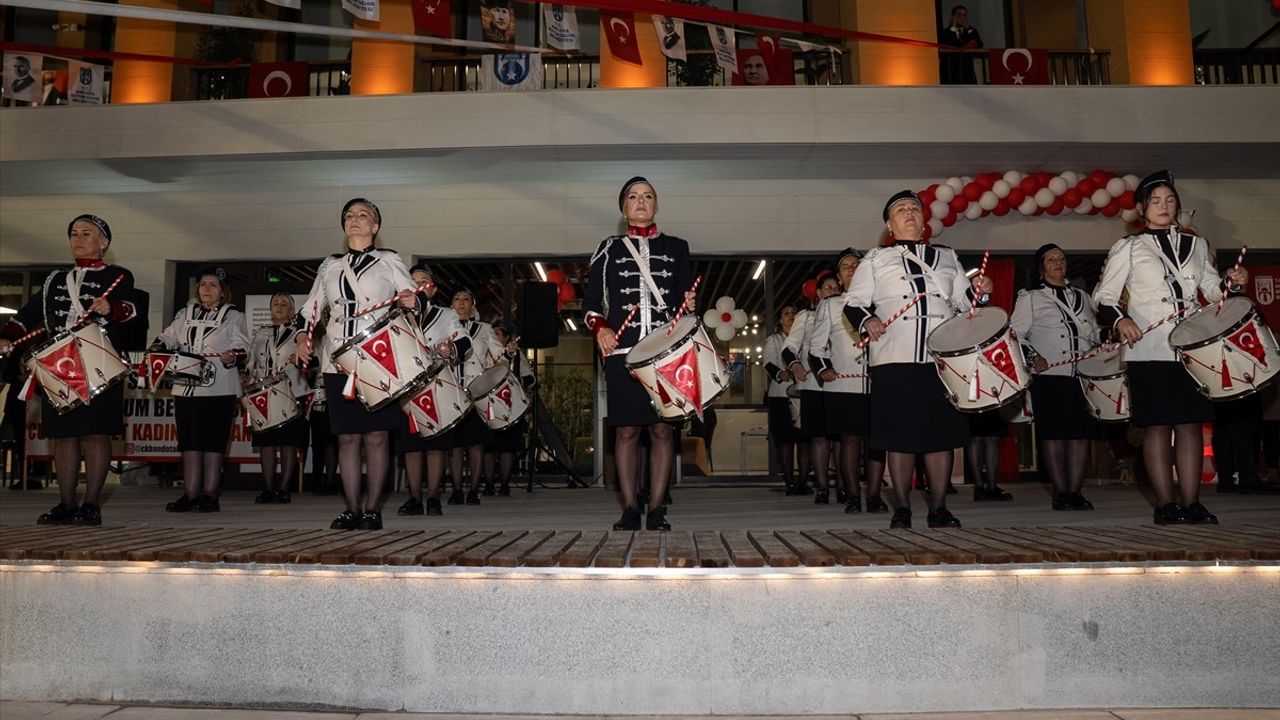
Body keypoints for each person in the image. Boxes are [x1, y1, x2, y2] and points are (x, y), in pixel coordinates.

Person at [1093, 170, 1247, 524]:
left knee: (1191, 424)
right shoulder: (1128, 247)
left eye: (1170, 200)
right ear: (1142, 209)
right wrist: (1121, 320)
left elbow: (1210, 290)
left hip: (1192, 348)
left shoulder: (1197, 245)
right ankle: (1165, 504)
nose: (1164, 207)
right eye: (1156, 201)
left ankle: (1192, 502)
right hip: (1148, 347)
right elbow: (1104, 296)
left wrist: (1230, 283)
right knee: (1158, 425)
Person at [844, 190, 993, 529]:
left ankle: (940, 508)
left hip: (941, 360)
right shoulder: (875, 259)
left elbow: (963, 305)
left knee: (939, 436)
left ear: (925, 220)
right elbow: (853, 303)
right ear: (890, 225)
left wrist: (980, 292)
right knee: (900, 437)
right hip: (894, 357)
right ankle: (902, 508)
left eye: (914, 208)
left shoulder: (946, 255)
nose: (909, 212)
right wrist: (867, 320)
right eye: (901, 209)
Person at [0, 214, 138, 526]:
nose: (78, 238)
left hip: (98, 363)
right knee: (63, 436)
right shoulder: (54, 280)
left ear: (103, 243)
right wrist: (7, 336)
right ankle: (65, 503)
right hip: (59, 365)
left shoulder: (118, 276)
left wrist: (111, 309)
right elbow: (27, 316)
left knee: (94, 433)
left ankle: (90, 505)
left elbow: (130, 311)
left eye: (87, 233)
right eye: (74, 233)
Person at [296, 198, 420, 530]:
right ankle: (351, 508)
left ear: (375, 226)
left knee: (377, 436)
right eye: (350, 215)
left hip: (378, 359)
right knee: (347, 438)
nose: (355, 219)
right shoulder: (329, 267)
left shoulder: (389, 260)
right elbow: (310, 310)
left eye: (363, 215)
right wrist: (301, 338)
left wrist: (412, 300)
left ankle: (373, 509)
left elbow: (413, 299)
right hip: (338, 358)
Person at [585, 176, 695, 532]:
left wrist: (689, 303)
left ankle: (658, 508)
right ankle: (630, 508)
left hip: (666, 355)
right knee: (628, 431)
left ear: (657, 205)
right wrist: (600, 328)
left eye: (648, 196)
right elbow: (590, 304)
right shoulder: (608, 249)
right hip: (623, 353)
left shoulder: (678, 248)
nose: (641, 201)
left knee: (663, 431)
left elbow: (686, 304)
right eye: (633, 196)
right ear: (623, 208)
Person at [1011, 243, 1100, 510]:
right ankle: (1061, 493)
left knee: (1080, 434)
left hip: (1082, 375)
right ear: (1041, 267)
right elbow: (1015, 335)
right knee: (1055, 434)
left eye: (1061, 258)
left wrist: (1106, 337)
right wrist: (1032, 357)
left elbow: (1092, 332)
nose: (1058, 263)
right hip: (1050, 375)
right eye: (1051, 260)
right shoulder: (1030, 296)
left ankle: (1076, 491)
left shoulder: (1083, 297)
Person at [153, 266, 249, 514]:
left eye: (213, 285)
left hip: (220, 388)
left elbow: (242, 346)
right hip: (186, 386)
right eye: (203, 284)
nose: (207, 289)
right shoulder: (185, 313)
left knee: (213, 442)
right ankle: (190, 493)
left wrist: (232, 357)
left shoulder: (233, 316)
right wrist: (159, 344)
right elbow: (170, 336)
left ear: (222, 291)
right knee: (189, 441)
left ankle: (209, 494)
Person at [810, 248, 887, 514]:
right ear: (839, 279)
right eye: (846, 267)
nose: (852, 269)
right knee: (850, 440)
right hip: (844, 385)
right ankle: (853, 495)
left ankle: (875, 496)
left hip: (880, 384)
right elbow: (816, 348)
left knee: (877, 442)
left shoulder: (883, 303)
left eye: (857, 265)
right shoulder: (830, 305)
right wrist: (823, 370)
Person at [397, 265, 468, 517]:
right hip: (406, 389)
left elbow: (463, 339)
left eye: (423, 281)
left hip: (437, 386)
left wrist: (451, 349)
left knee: (436, 445)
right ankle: (415, 498)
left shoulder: (445, 315)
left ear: (433, 290)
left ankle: (435, 496)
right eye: (412, 281)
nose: (417, 285)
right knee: (412, 446)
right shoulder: (395, 314)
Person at [246, 291, 307, 504]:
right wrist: (248, 373)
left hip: (291, 391)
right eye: (275, 304)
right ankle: (269, 488)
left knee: (288, 443)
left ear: (291, 310)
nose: (279, 307)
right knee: (267, 443)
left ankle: (284, 489)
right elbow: (250, 361)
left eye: (284, 304)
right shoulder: (261, 333)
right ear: (270, 309)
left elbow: (310, 360)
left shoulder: (299, 334)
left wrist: (298, 360)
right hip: (264, 393)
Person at [783, 271, 837, 502]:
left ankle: (847, 488)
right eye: (827, 288)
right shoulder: (805, 316)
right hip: (814, 384)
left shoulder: (848, 311)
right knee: (818, 437)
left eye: (836, 287)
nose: (832, 291)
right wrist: (794, 365)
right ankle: (823, 487)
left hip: (842, 383)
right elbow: (789, 347)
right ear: (817, 293)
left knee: (843, 438)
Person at [447, 288, 494, 505]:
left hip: (476, 391)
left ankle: (474, 489)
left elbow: (498, 355)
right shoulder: (443, 328)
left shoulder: (485, 329)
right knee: (454, 445)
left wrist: (509, 352)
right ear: (451, 305)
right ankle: (456, 489)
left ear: (473, 306)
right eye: (457, 299)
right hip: (451, 390)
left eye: (466, 299)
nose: (462, 303)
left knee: (476, 444)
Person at [484, 323, 536, 496]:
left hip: (510, 404)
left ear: (506, 338)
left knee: (507, 447)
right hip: (489, 406)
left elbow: (530, 378)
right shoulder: (485, 354)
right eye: (493, 334)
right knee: (488, 448)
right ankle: (489, 483)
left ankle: (505, 483)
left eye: (498, 334)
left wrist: (519, 383)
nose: (494, 337)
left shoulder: (516, 355)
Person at [763, 304, 808, 495]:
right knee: (785, 441)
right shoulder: (773, 340)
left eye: (794, 313)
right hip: (780, 397)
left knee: (805, 441)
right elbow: (768, 362)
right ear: (780, 320)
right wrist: (781, 373)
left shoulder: (806, 339)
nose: (791, 316)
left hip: (804, 395)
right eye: (786, 313)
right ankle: (789, 482)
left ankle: (804, 483)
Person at [938, 4, 983, 85]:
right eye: (959, 15)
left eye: (964, 15)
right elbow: (947, 43)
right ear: (953, 17)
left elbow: (979, 44)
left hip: (967, 72)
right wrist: (952, 28)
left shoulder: (971, 31)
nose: (962, 18)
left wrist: (968, 28)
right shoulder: (944, 32)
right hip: (950, 71)